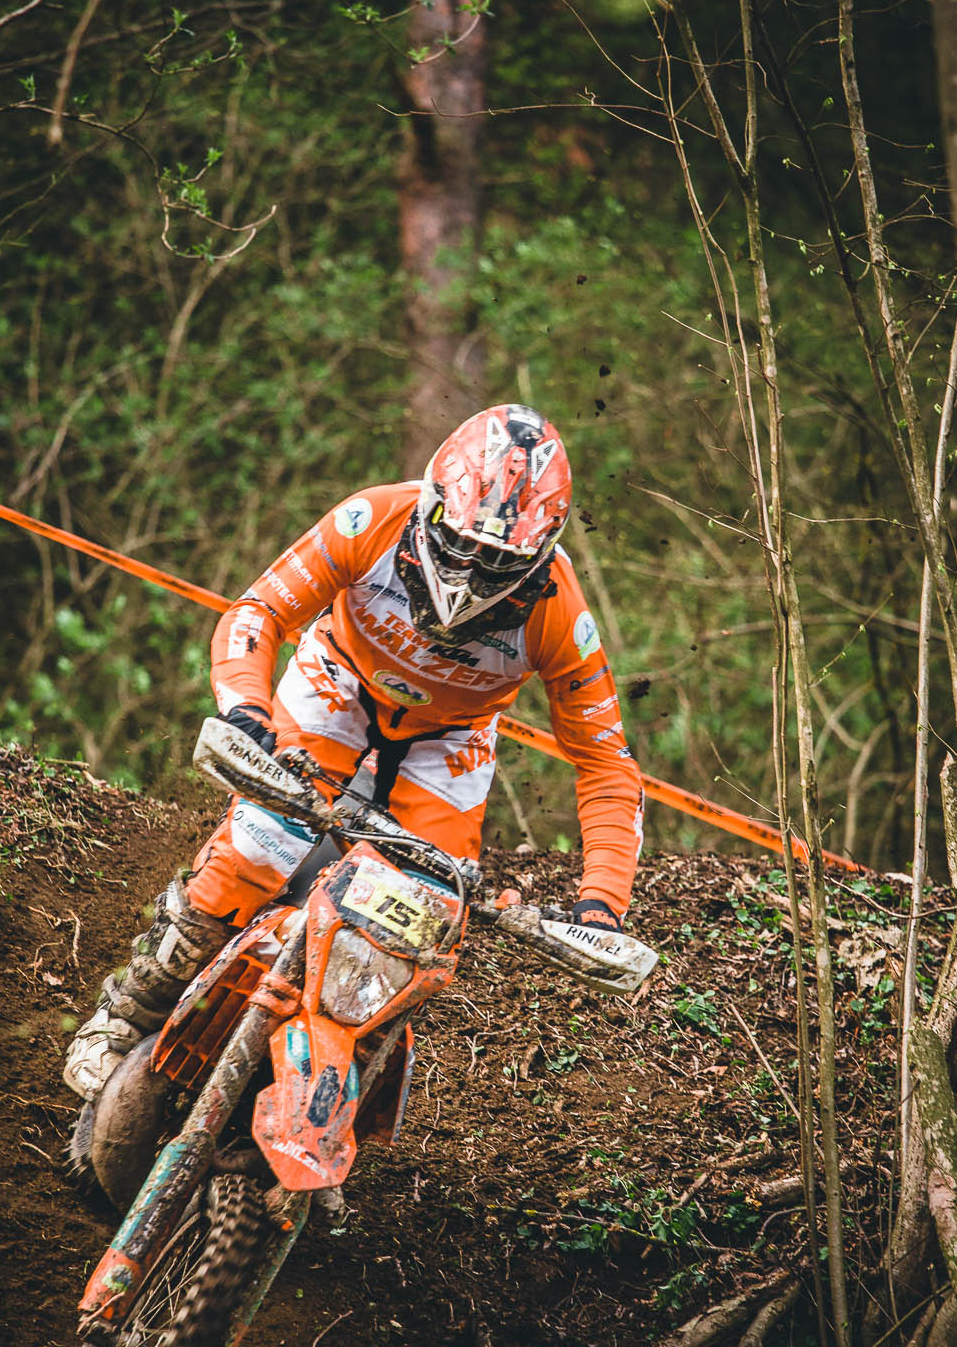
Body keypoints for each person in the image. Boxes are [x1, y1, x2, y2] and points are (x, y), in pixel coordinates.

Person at [63, 402, 644, 1107]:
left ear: (540, 552)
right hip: (335, 689)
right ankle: (123, 1020)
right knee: (258, 844)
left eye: (496, 560)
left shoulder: (557, 608)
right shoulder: (370, 520)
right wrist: (246, 710)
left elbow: (606, 764)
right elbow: (259, 613)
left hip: (449, 742)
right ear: (429, 508)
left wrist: (601, 907)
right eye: (457, 545)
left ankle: (345, 1082)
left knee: (421, 922)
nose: (468, 572)